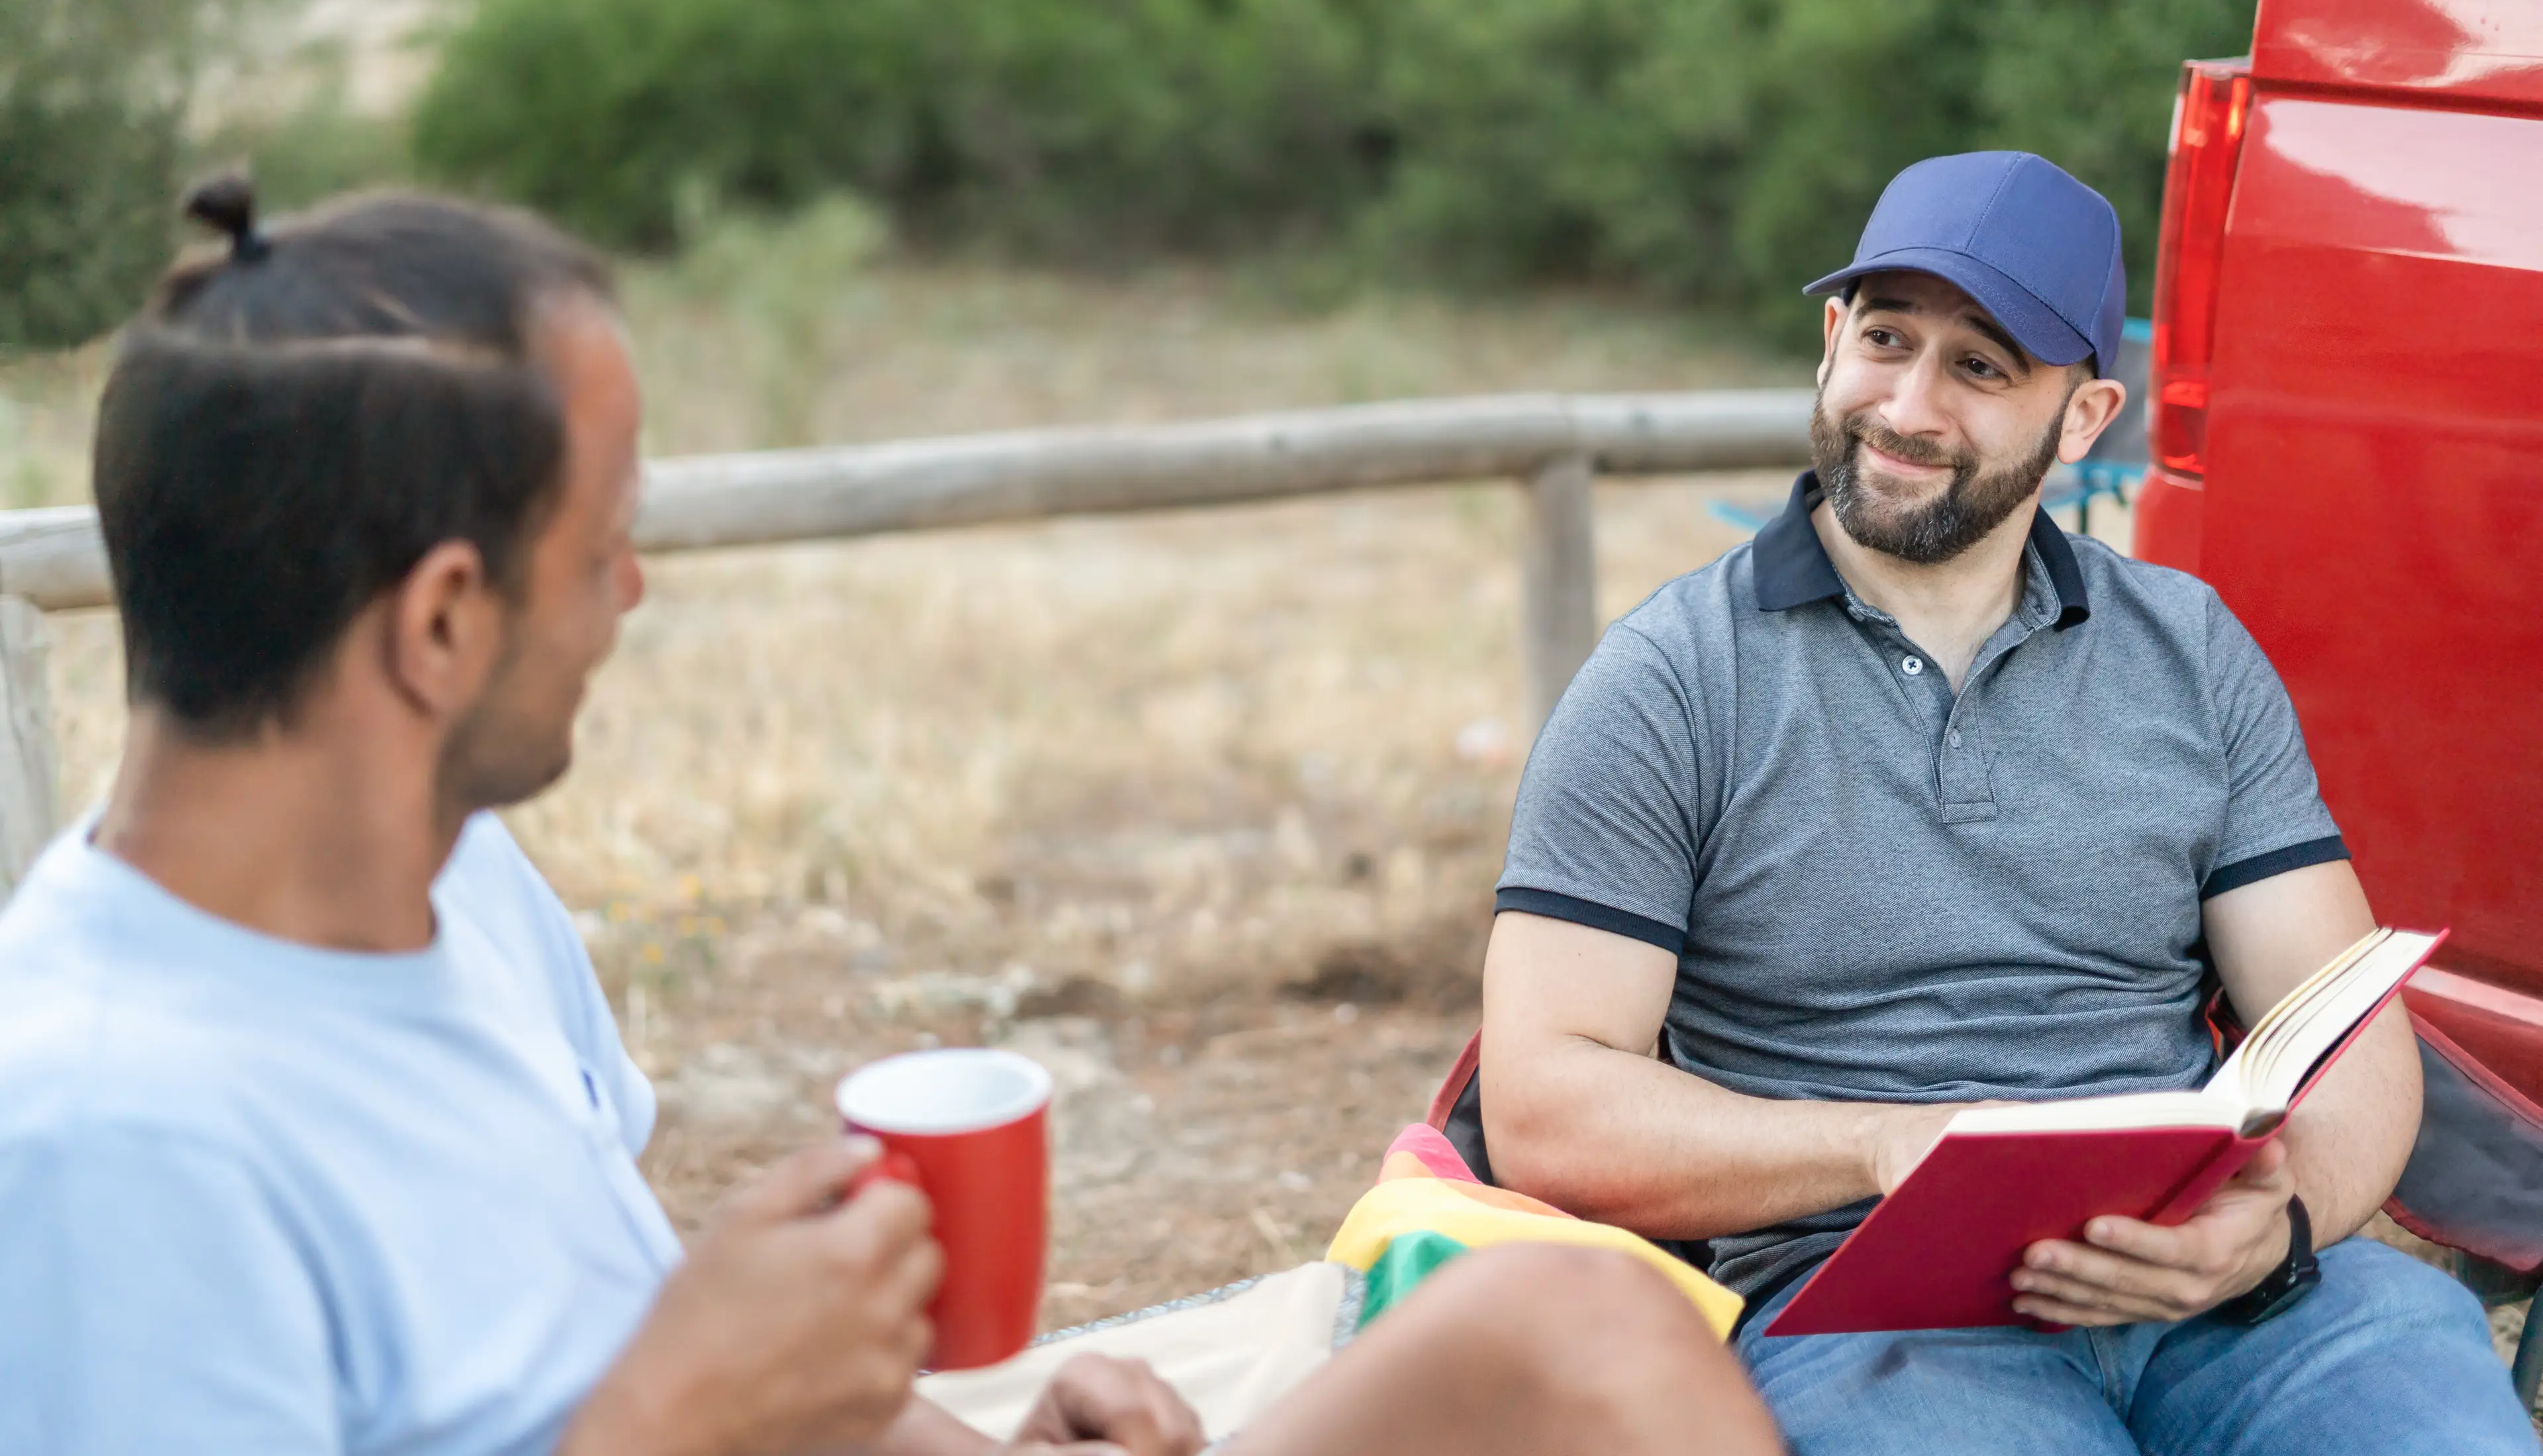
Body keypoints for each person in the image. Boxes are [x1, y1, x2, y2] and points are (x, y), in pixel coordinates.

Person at [0, 178, 1781, 1456]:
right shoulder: (110, 1143)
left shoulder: (447, 876)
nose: (631, 590)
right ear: (442, 621)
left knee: (1579, 1328)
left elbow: (588, 1312)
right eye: (601, 537)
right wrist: (675, 1418)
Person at [1476, 150, 2536, 1453]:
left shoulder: (2190, 649)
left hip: (2219, 1287)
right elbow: (1542, 1099)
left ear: (2087, 416)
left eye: (1981, 366)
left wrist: (2282, 1217)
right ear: (1829, 342)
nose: (1908, 405)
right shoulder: (1671, 679)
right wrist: (1881, 1148)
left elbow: (2345, 1020)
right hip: (1872, 1314)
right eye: (1885, 339)